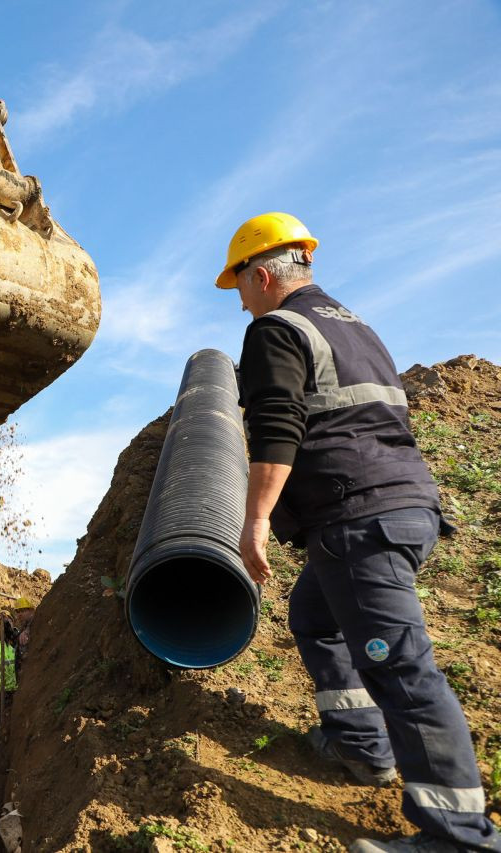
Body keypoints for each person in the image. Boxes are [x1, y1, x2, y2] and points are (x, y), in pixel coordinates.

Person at [220, 212, 500, 853]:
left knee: (403, 670)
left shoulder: (276, 330)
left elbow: (277, 428)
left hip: (359, 521)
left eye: (239, 289)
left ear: (263, 276)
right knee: (315, 616)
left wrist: (256, 517)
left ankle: (458, 835)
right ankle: (361, 747)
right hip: (402, 506)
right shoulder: (355, 327)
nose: (240, 306)